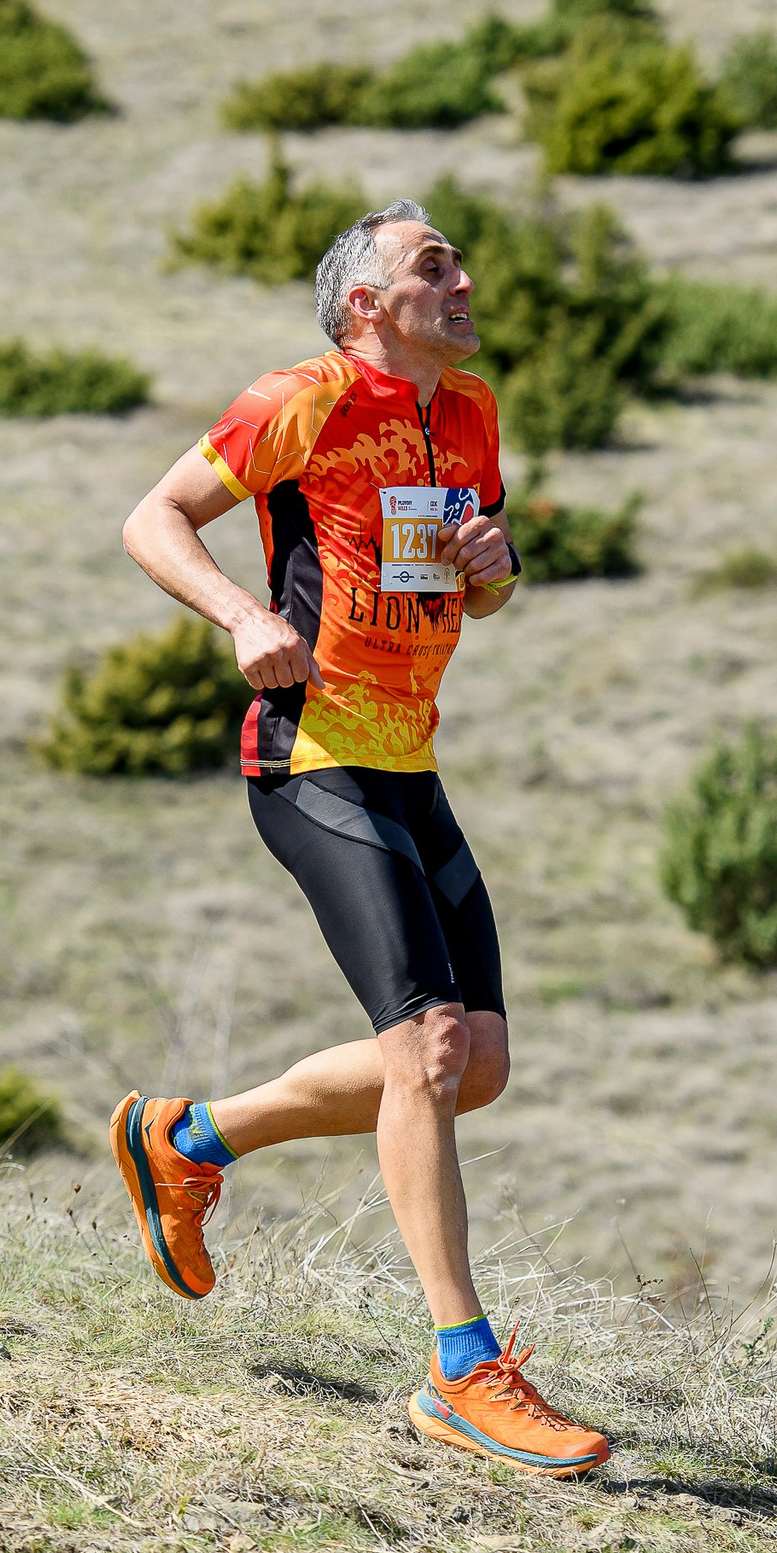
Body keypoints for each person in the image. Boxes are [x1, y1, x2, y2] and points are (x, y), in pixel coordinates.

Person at [110, 200, 610, 1480]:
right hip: (311, 751)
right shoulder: (304, 397)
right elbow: (152, 519)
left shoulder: (473, 407)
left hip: (410, 759)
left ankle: (188, 1139)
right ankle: (461, 1368)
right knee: (428, 1047)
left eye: (456, 260)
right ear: (364, 306)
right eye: (431, 266)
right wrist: (235, 614)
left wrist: (496, 565)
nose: (462, 277)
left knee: (474, 1063)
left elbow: (478, 588)